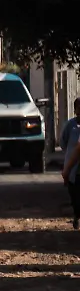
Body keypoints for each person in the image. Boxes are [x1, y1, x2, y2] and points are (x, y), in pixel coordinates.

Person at [61, 97, 80, 228]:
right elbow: (63, 143)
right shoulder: (71, 126)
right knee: (74, 194)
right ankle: (77, 215)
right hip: (73, 168)